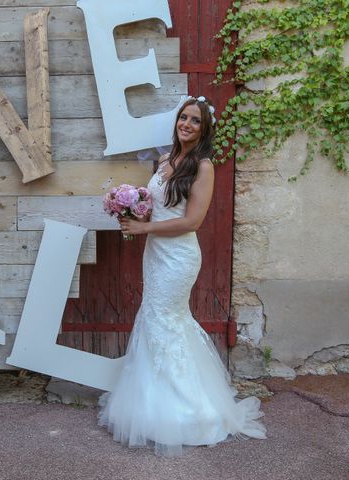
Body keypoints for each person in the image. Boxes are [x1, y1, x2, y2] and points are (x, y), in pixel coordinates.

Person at [98, 96, 266, 456]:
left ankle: (193, 411)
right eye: (183, 118)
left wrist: (144, 231)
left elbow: (193, 221)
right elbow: (155, 209)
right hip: (155, 253)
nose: (186, 124)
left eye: (195, 121)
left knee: (167, 320)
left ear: (204, 129)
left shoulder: (203, 167)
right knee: (154, 319)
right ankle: (154, 406)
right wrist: (131, 212)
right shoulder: (163, 161)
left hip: (179, 257)